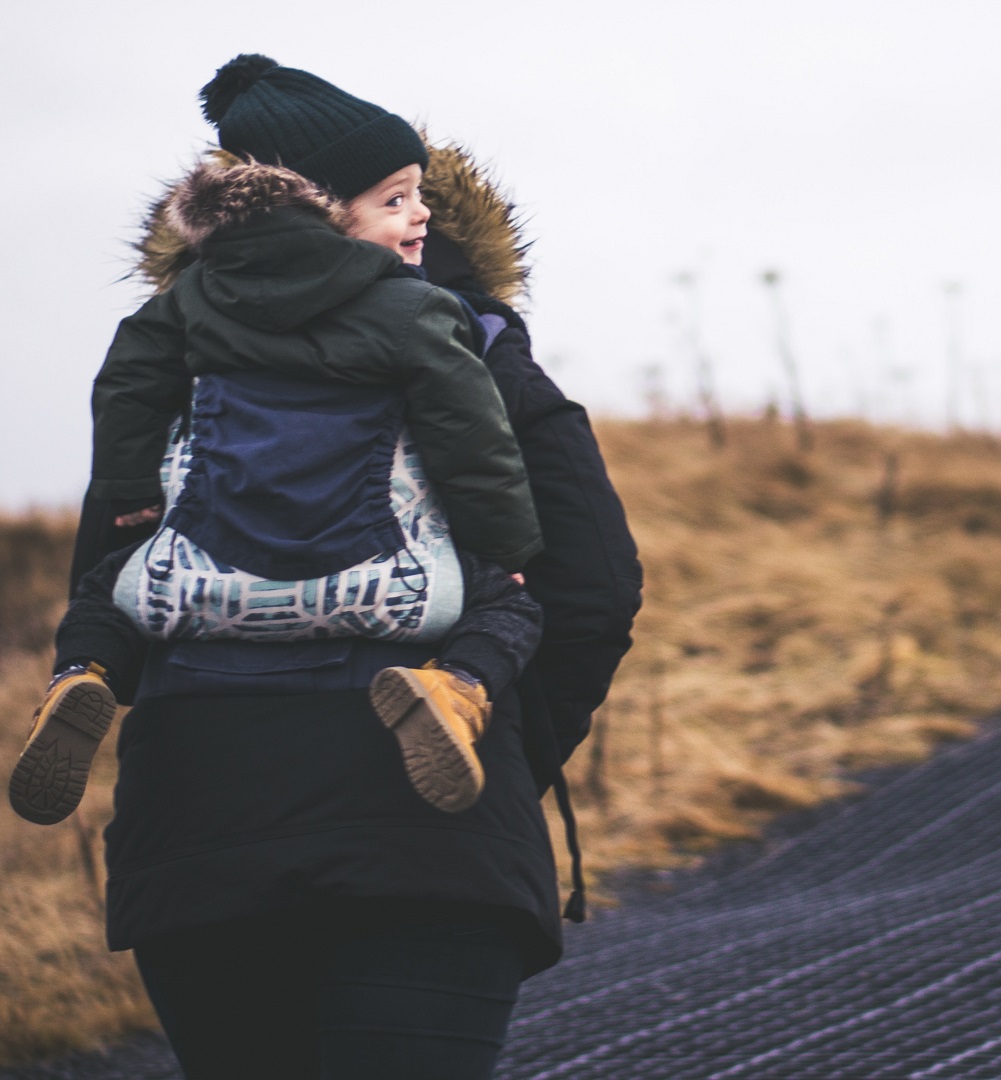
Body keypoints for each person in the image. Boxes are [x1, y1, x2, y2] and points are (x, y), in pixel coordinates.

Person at [47, 55, 642, 1079]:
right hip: (429, 839)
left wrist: (100, 663)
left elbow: (115, 554)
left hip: (200, 822)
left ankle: (74, 685)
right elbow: (591, 581)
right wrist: (502, 752)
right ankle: (454, 699)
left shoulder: (175, 339)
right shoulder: (472, 341)